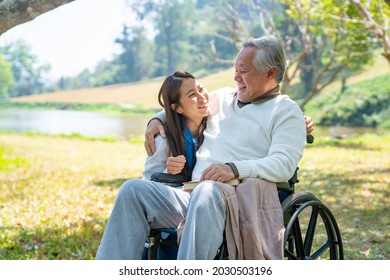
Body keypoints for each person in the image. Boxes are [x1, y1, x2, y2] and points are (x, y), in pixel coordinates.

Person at [97, 36, 308, 260]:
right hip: (189, 194)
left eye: (243, 71)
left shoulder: (285, 111)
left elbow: (284, 164)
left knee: (207, 192)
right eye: (235, 69)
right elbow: (185, 105)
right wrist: (157, 120)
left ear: (270, 73)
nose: (236, 77)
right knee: (133, 190)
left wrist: (234, 169)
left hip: (235, 202)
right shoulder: (223, 97)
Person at [96, 71, 210, 259]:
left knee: (131, 189)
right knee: (132, 189)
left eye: (201, 89)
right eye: (192, 95)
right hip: (179, 201)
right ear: (178, 108)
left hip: (211, 199)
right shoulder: (164, 138)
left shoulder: (218, 120)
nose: (201, 97)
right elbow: (148, 181)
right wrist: (169, 171)